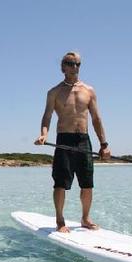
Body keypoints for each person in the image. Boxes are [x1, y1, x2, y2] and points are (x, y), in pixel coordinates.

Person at [34, 52, 111, 233]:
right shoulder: (54, 92)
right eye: (70, 63)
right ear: (63, 67)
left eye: (77, 63)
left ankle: (85, 218)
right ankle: (60, 220)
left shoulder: (89, 91)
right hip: (64, 140)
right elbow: (47, 116)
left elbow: (96, 119)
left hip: (83, 140)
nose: (74, 67)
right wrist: (43, 134)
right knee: (60, 183)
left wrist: (104, 144)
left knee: (87, 183)